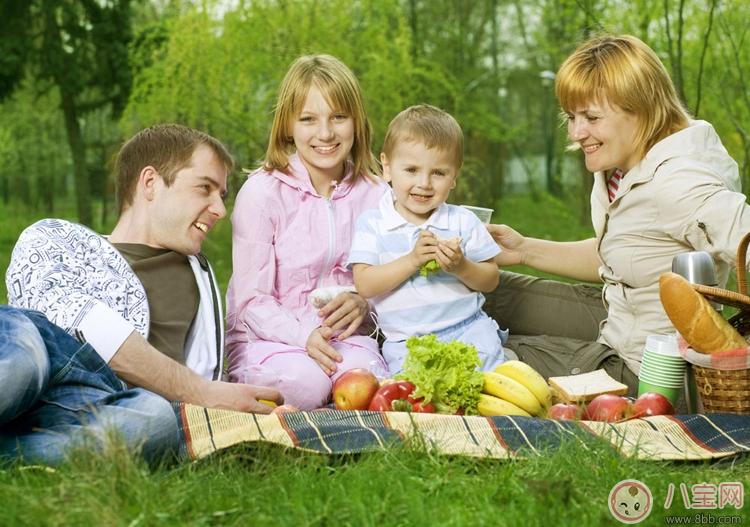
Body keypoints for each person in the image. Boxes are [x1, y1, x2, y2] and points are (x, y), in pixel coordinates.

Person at [483, 34, 750, 396]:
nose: (577, 133)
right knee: (486, 290)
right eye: (571, 116)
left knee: (488, 352)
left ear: (640, 107)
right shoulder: (623, 164)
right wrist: (524, 251)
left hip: (648, 371)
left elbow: (742, 237)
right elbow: (624, 253)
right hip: (616, 318)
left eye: (591, 117)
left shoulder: (679, 180)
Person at [3, 124, 282, 466]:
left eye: (221, 196)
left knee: (154, 423)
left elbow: (216, 388)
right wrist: (200, 391)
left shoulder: (199, 280)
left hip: (95, 403)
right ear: (151, 183)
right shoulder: (56, 239)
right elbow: (83, 321)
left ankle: (14, 454)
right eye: (204, 188)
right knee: (18, 366)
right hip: (41, 352)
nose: (220, 210)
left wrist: (265, 413)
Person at [225, 55, 388, 410]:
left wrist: (365, 304)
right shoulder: (262, 193)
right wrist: (304, 336)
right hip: (271, 338)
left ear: (356, 122)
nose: (326, 133)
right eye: (309, 119)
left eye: (339, 117)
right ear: (288, 126)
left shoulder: (377, 194)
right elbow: (251, 301)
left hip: (348, 338)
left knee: (366, 382)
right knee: (304, 386)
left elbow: (390, 281)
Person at [348, 104, 505, 375]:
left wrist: (461, 267)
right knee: (414, 397)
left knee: (492, 382)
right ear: (387, 167)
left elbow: (490, 280)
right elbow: (365, 284)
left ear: (454, 176)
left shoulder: (463, 221)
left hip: (468, 328)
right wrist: (412, 260)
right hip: (407, 341)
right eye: (411, 170)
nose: (424, 183)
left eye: (438, 173)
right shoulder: (373, 224)